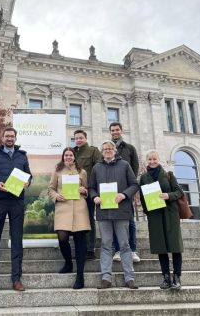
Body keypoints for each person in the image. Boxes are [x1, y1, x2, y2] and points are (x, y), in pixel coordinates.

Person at [0, 127, 32, 293]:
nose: (10, 138)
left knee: (17, 240)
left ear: (15, 138)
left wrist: (28, 182)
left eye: (12, 136)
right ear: (2, 137)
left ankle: (16, 279)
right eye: (7, 136)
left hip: (17, 201)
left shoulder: (22, 156)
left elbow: (29, 175)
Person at [89, 140, 139, 289]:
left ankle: (129, 278)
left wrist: (124, 195)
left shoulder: (124, 165)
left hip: (121, 212)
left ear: (115, 150)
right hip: (104, 213)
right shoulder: (96, 168)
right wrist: (94, 197)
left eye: (110, 148)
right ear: (102, 152)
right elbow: (91, 187)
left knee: (124, 245)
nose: (107, 151)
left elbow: (134, 184)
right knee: (105, 245)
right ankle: (106, 278)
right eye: (105, 149)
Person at [139, 150, 184, 290]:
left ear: (159, 160)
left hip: (170, 214)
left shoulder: (168, 175)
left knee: (175, 246)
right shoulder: (144, 177)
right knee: (161, 247)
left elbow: (179, 192)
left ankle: (177, 277)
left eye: (154, 159)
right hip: (155, 215)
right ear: (147, 161)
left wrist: (168, 196)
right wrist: (148, 212)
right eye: (150, 159)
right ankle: (166, 277)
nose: (152, 162)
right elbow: (142, 197)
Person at [48, 147, 90, 289]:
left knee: (80, 241)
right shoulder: (57, 171)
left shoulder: (82, 172)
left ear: (74, 156)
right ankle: (68, 263)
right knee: (62, 238)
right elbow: (51, 189)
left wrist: (84, 190)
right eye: (66, 155)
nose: (68, 157)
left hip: (79, 209)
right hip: (63, 208)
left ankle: (80, 276)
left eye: (71, 155)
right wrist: (55, 196)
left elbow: (87, 189)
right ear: (63, 157)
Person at [109, 122, 141, 263]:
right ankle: (117, 250)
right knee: (115, 221)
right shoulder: (107, 148)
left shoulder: (130, 148)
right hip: (111, 192)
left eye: (117, 130)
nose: (115, 132)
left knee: (130, 221)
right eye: (112, 130)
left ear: (121, 131)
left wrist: (131, 189)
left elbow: (135, 170)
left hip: (126, 192)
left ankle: (132, 250)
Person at [73, 130, 102, 260]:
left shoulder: (93, 151)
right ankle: (80, 248)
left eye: (81, 138)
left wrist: (92, 188)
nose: (78, 140)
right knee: (77, 219)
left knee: (89, 219)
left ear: (85, 138)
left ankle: (90, 249)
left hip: (89, 191)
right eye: (76, 138)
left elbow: (98, 170)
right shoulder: (72, 152)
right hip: (74, 192)